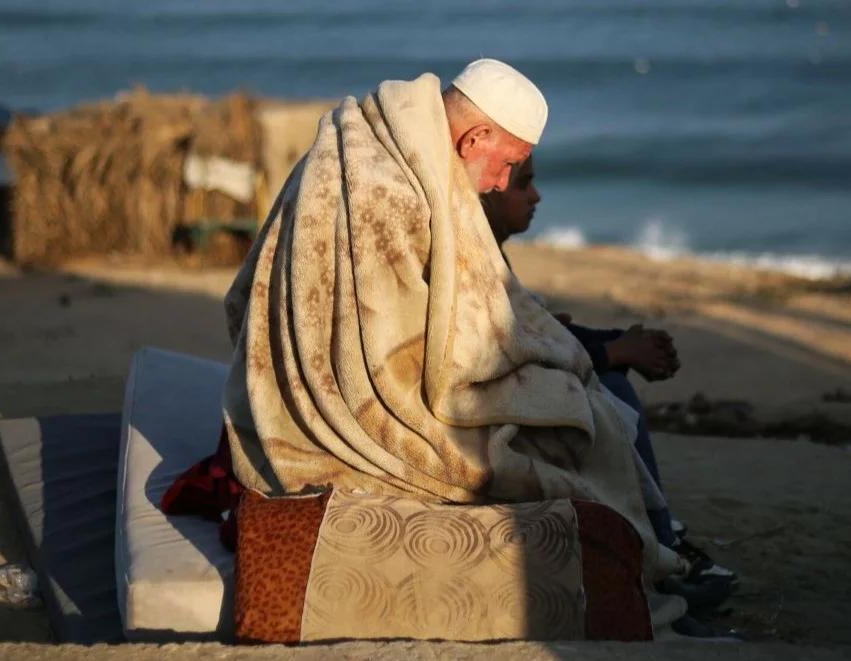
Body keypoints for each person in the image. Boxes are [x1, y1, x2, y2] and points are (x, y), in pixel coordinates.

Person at [220, 59, 696, 633]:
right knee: (568, 424)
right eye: (510, 167)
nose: (501, 184)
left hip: (335, 377)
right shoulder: (387, 192)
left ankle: (656, 547)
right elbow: (411, 359)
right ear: (474, 138)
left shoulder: (382, 142)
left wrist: (543, 339)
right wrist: (549, 348)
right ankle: (644, 558)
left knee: (578, 397)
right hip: (351, 410)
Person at [481, 156, 739, 611]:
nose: (536, 196)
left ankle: (661, 534)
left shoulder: (492, 257)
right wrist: (614, 353)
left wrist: (620, 343)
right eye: (524, 185)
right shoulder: (475, 265)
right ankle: (661, 545)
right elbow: (509, 349)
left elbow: (545, 331)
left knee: (611, 374)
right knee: (610, 388)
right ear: (486, 194)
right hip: (500, 416)